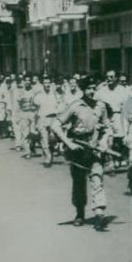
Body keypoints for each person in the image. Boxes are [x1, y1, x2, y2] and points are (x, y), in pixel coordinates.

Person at [51, 76, 112, 230]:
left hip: (95, 149)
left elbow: (107, 127)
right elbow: (55, 125)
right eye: (89, 88)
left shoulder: (101, 106)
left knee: (97, 179)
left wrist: (104, 142)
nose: (92, 91)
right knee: (79, 183)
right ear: (83, 90)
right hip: (78, 150)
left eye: (94, 88)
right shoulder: (75, 106)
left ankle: (99, 214)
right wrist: (68, 143)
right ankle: (79, 213)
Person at [33, 76, 61, 166]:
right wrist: (35, 122)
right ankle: (48, 158)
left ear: (51, 84)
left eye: (48, 82)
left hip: (53, 118)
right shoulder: (39, 96)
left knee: (53, 139)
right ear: (42, 84)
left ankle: (50, 153)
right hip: (43, 118)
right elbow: (36, 110)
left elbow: (60, 106)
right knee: (44, 139)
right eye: (45, 83)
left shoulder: (55, 94)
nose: (47, 84)